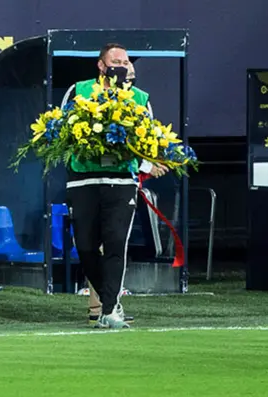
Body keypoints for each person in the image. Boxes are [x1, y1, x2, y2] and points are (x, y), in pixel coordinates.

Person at [64, 43, 167, 329]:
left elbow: (149, 137)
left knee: (115, 244)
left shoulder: (140, 97)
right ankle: (112, 303)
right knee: (84, 246)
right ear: (101, 64)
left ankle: (108, 310)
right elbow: (60, 131)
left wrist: (149, 163)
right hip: (83, 178)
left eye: (125, 61)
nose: (121, 65)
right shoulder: (78, 90)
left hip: (121, 181)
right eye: (115, 60)